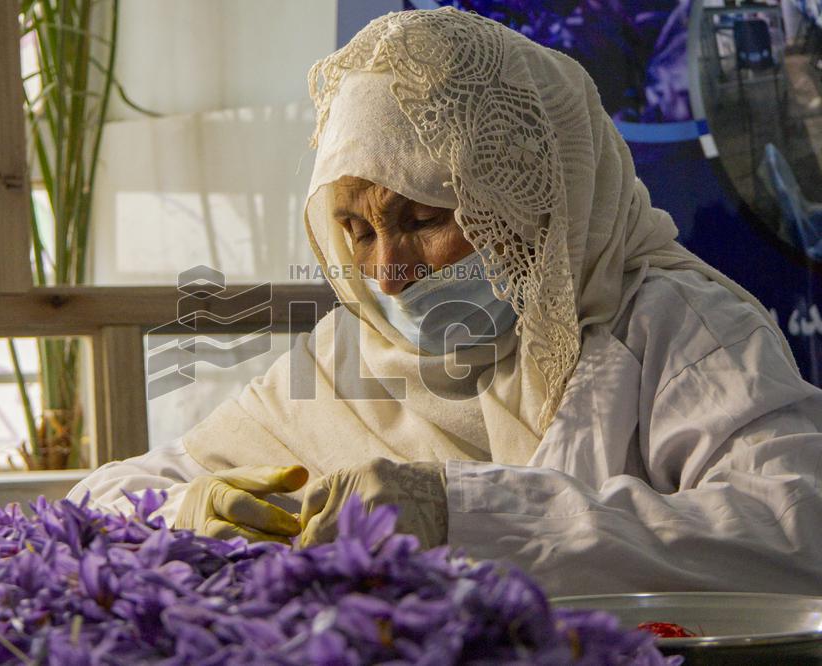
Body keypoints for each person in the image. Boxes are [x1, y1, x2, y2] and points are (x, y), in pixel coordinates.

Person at [68, 7, 822, 596]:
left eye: (424, 219)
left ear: (533, 201)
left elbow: (795, 534)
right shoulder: (344, 360)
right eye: (357, 231)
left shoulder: (674, 330)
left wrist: (467, 517)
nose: (387, 271)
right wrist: (184, 513)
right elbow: (102, 497)